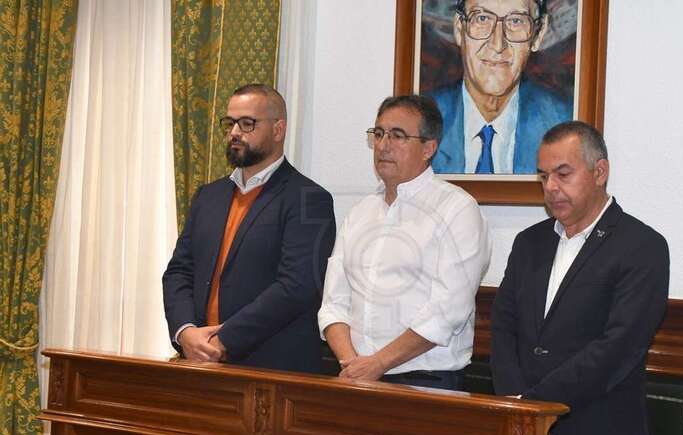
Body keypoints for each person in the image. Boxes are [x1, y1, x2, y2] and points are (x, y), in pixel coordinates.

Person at [491, 121, 669, 435]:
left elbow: (617, 348)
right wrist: (522, 418)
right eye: (543, 176)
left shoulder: (642, 247)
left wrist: (535, 413)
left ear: (599, 171)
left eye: (563, 174)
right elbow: (503, 329)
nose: (551, 187)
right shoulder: (529, 243)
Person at [318, 94, 491, 391]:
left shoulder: (457, 209)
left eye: (397, 136)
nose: (383, 145)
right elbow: (334, 302)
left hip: (426, 382)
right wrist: (352, 363)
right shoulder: (360, 212)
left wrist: (378, 363)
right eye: (379, 133)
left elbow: (448, 311)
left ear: (428, 148)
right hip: (353, 375)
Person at [162, 84, 336, 373]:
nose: (234, 132)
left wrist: (223, 340)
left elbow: (297, 287)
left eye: (247, 123)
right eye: (230, 123)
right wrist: (186, 332)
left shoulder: (308, 199)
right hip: (200, 363)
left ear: (278, 130)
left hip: (271, 370)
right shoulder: (208, 196)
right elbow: (179, 271)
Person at [427, 0, 572, 174]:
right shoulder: (421, 122)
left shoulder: (564, 125)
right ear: (459, 28)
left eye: (516, 21)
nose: (497, 45)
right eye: (482, 18)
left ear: (538, 34)